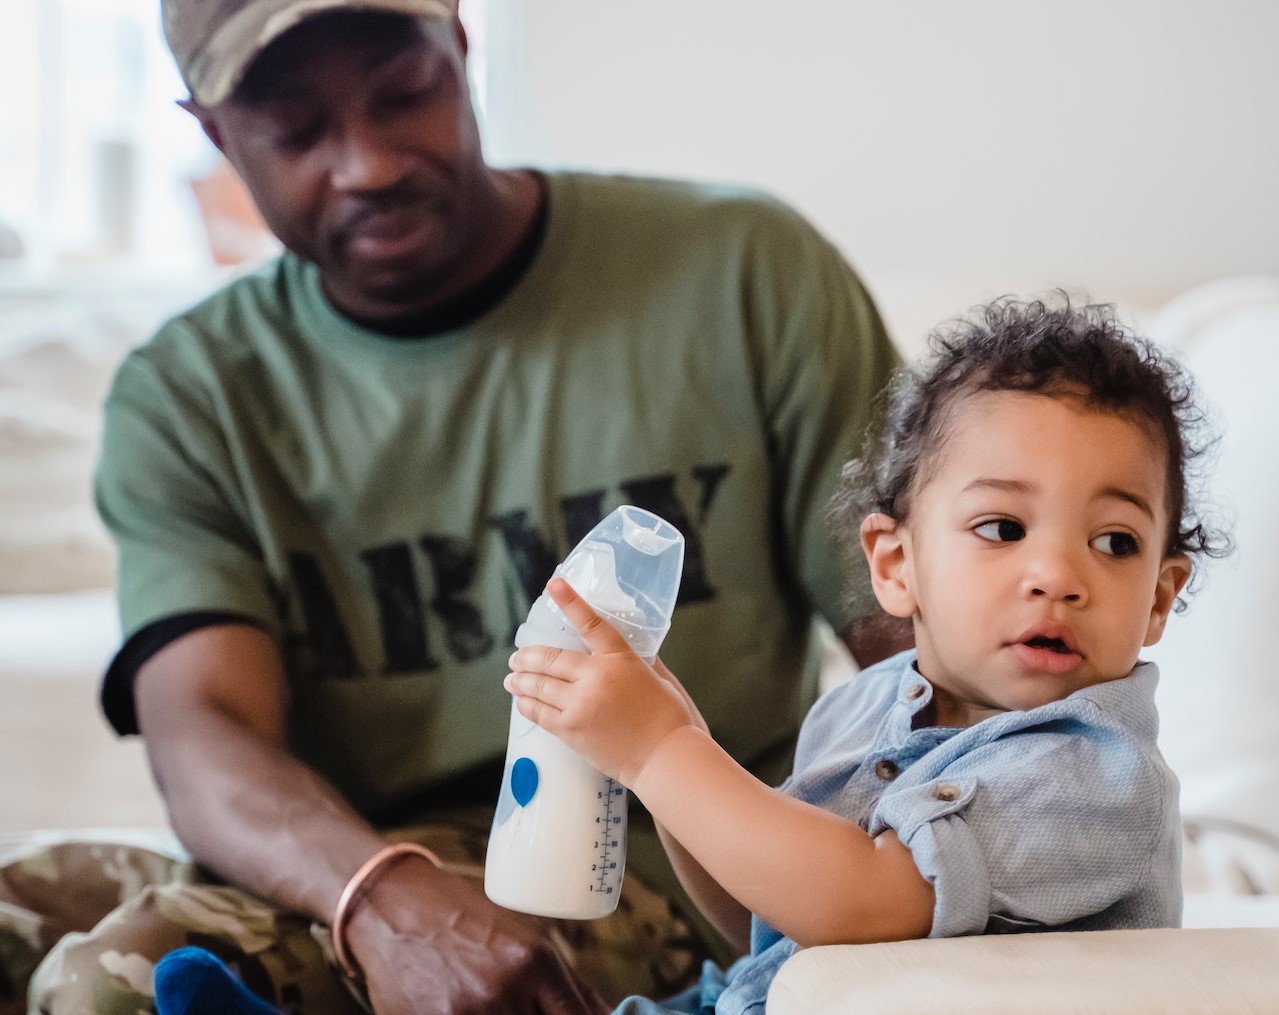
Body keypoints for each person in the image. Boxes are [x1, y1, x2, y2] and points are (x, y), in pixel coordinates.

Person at [0, 1, 905, 1013]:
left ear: (462, 46)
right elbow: (202, 731)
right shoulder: (187, 394)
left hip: (640, 862)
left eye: (403, 94)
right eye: (298, 130)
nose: (369, 164)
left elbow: (925, 643)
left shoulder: (745, 274)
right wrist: (381, 899)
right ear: (213, 132)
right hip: (335, 858)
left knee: (104, 986)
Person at [501, 296, 1227, 1013]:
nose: (1058, 577)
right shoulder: (857, 707)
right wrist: (678, 745)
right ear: (895, 563)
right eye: (1003, 526)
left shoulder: (1096, 776)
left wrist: (656, 751)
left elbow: (858, 900)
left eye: (1114, 542)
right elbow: (775, 919)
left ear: (1158, 597)